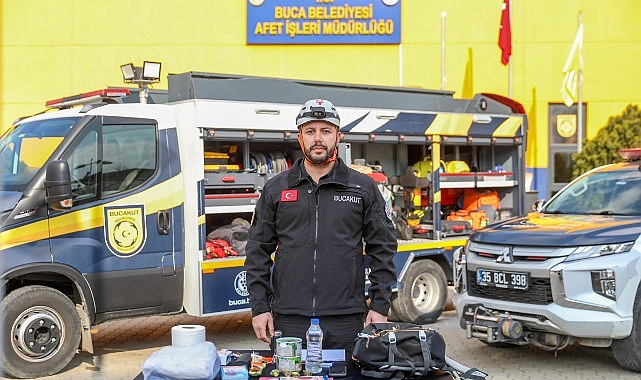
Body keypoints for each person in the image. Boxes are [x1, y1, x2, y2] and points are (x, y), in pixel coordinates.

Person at [244, 99, 398, 354]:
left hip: (346, 319)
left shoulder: (362, 188)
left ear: (338, 137)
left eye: (325, 131)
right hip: (289, 318)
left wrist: (380, 306)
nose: (318, 138)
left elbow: (383, 248)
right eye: (310, 131)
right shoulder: (277, 189)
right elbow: (257, 251)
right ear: (300, 138)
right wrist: (260, 307)